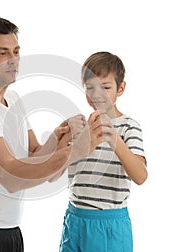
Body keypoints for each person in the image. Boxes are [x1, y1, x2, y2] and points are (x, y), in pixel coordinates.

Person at [0, 17, 107, 252]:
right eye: (2, 53)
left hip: (11, 232)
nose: (13, 60)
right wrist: (75, 151)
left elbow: (37, 159)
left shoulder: (14, 100)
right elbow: (10, 177)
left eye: (16, 51)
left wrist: (59, 138)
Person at [59, 51, 148, 252]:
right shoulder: (79, 126)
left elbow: (141, 176)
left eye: (105, 87)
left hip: (109, 223)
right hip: (74, 219)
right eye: (90, 88)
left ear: (121, 88)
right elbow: (56, 171)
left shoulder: (128, 127)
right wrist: (63, 139)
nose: (96, 94)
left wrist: (113, 139)